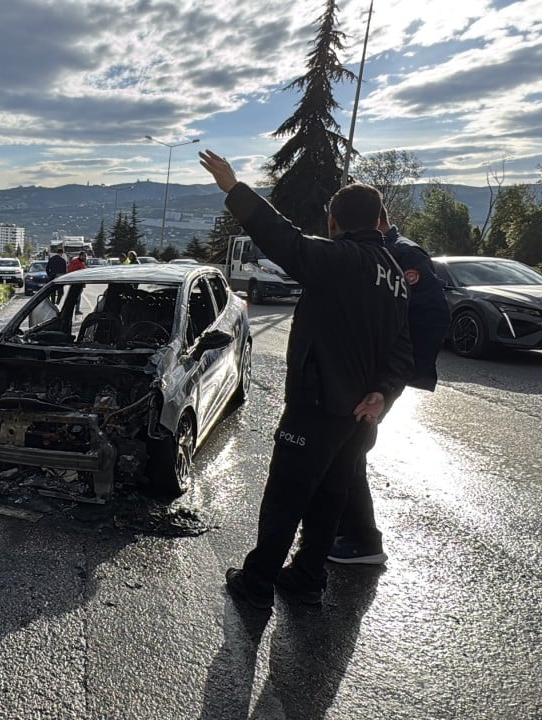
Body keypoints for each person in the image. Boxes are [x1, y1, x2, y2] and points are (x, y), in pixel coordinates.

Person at [198, 149, 412, 609]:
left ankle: (258, 581)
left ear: (334, 221)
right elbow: (402, 346)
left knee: (286, 494)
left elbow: (285, 240)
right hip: (360, 414)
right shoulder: (395, 274)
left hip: (317, 405)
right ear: (379, 221)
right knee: (331, 495)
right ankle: (308, 576)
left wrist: (234, 189)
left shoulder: (340, 258)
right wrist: (384, 393)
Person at [327, 208, 450, 565]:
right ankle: (343, 531)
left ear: (376, 223)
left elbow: (430, 316)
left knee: (351, 451)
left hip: (378, 375)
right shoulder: (385, 252)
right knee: (347, 450)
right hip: (370, 372)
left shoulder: (403, 255)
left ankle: (361, 540)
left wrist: (397, 376)